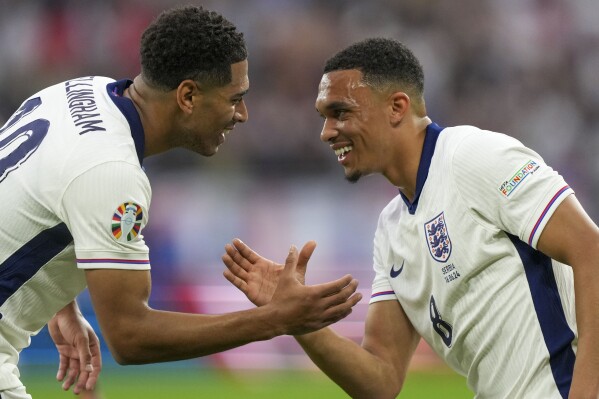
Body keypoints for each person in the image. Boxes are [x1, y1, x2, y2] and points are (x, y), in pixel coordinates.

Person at [0, 5, 362, 398]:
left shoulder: (79, 90)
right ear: (188, 95)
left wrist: (63, 304)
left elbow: (34, 192)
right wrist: (276, 319)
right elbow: (130, 335)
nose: (243, 114)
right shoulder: (112, 170)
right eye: (234, 98)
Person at [222, 37, 599, 398]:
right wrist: (296, 318)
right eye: (324, 117)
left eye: (340, 113)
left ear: (397, 107)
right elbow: (380, 380)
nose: (326, 132)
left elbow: (591, 250)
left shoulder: (474, 156)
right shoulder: (390, 230)